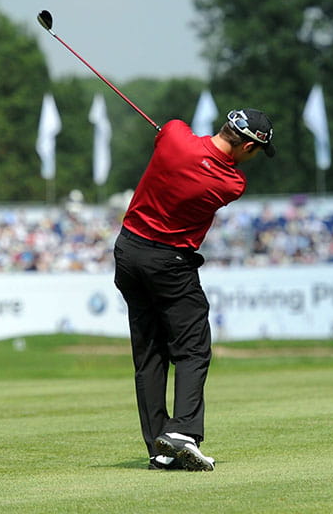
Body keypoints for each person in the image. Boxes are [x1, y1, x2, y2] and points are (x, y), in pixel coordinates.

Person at [113, 108, 275, 471]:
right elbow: (208, 162)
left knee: (150, 354)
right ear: (248, 146)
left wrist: (176, 142)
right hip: (170, 263)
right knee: (193, 349)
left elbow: (175, 134)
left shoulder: (173, 134)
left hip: (127, 252)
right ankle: (183, 431)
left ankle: (160, 450)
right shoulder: (232, 184)